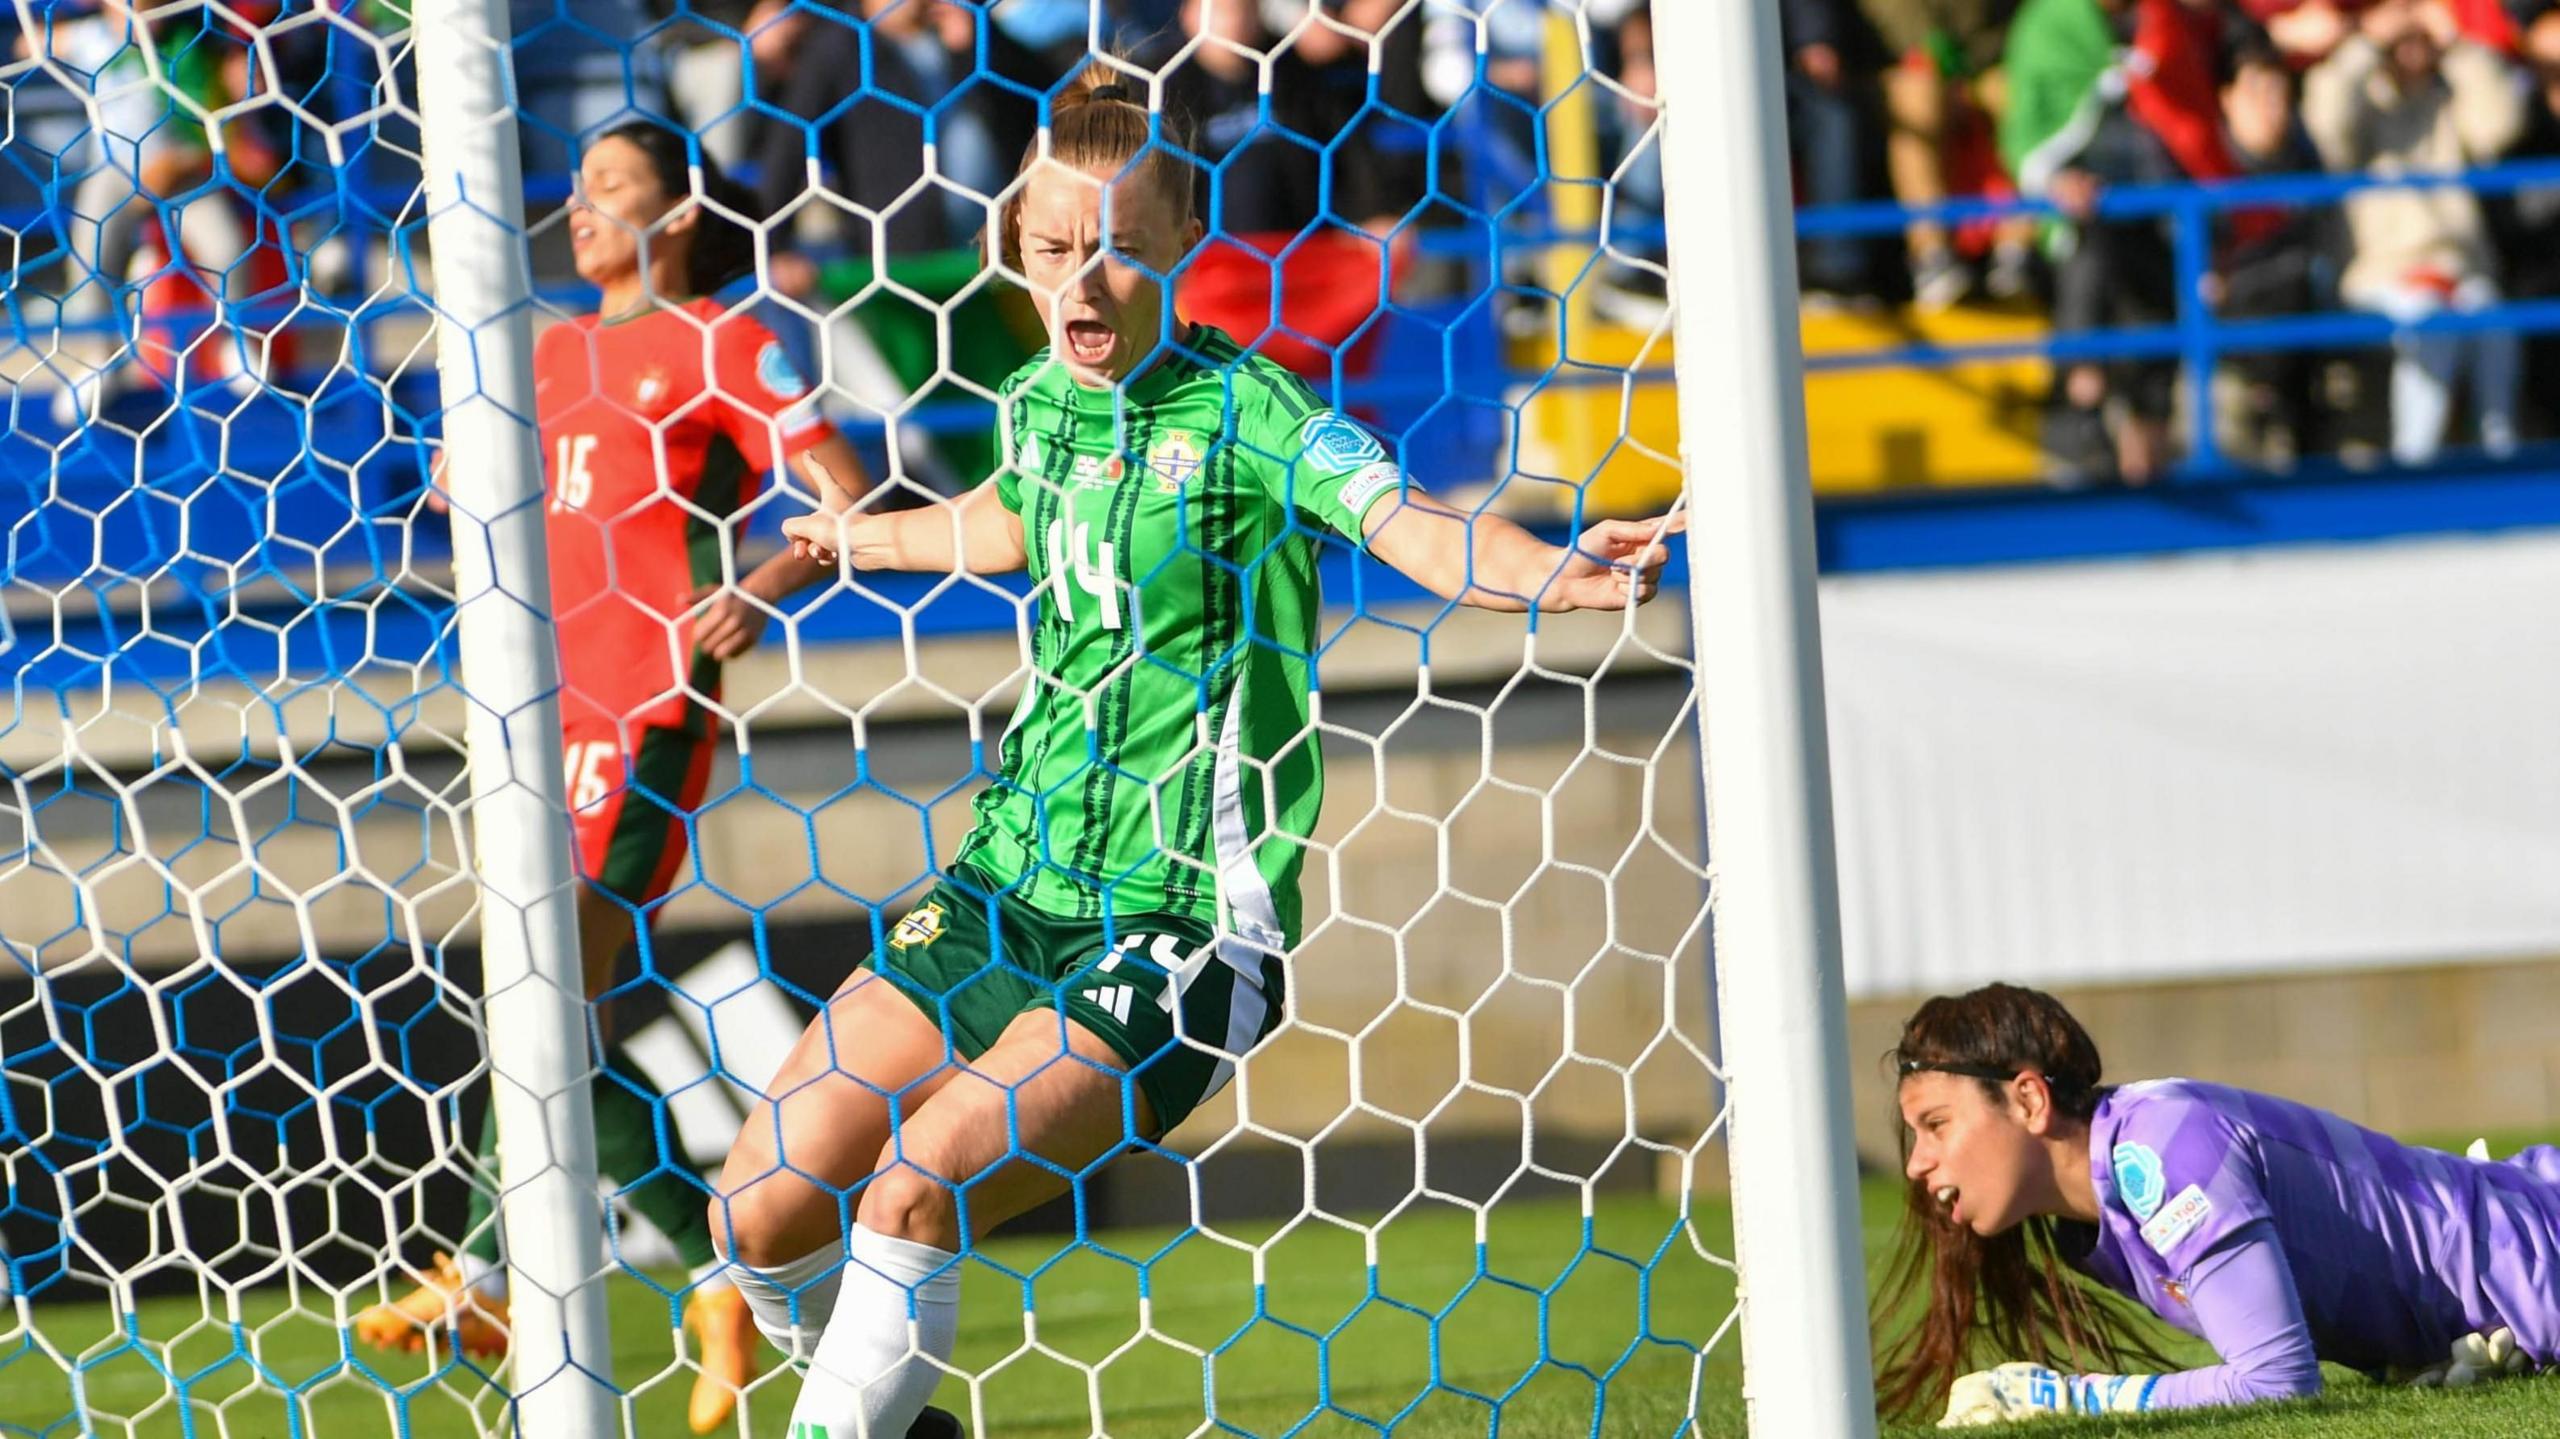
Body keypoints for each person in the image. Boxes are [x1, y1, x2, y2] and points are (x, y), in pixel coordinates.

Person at [706, 64, 1684, 1439]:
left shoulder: (1251, 411)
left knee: (916, 1178)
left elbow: (1415, 526)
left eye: (1116, 249)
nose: (1084, 281)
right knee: (757, 1203)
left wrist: (1549, 573)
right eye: (1053, 251)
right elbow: (1004, 520)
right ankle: (880, 1412)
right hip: (1006, 887)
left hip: (1174, 921)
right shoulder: (1041, 399)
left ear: (1177, 252)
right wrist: (869, 536)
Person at [355, 120, 872, 1437]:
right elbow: (486, 496)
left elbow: (844, 490)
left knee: (546, 992)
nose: (579, 211)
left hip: (648, 710)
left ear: (679, 210)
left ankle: (565, 1272)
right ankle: (633, 1281)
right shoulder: (544, 346)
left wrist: (760, 581)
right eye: (576, 189)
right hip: (538, 710)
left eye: (610, 188)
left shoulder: (725, 340)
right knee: (544, 1006)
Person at [1878, 982, 2560, 1426]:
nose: (1916, 1162)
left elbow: (2275, 1381)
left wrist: (2062, 1397)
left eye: (1936, 1124)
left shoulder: (2162, 1149)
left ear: (2028, 1098)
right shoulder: (2084, 1221)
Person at [2304, 0, 2528, 465]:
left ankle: (2500, 454)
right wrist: (2367, 42)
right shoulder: (2362, 108)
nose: (2410, 48)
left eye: (2417, 37)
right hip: (2383, 274)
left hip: (2459, 268)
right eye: (2400, 40)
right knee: (2430, 324)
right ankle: (2416, 461)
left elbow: (2502, 124)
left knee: (2495, 322)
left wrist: (2458, 43)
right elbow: (2325, 120)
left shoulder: (2451, 101)